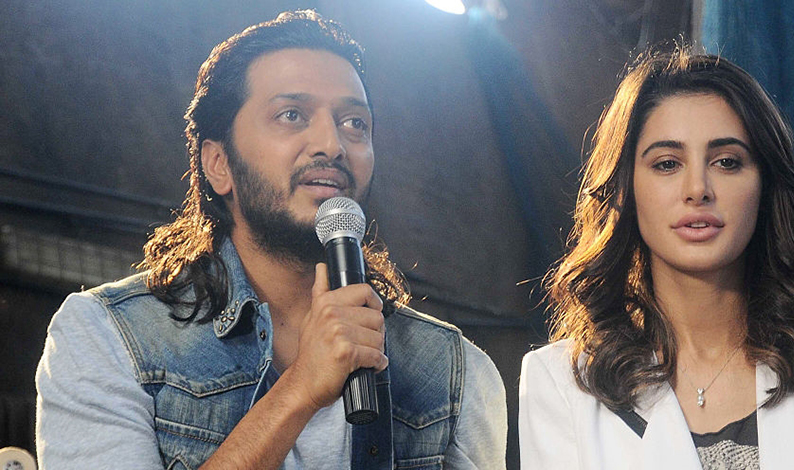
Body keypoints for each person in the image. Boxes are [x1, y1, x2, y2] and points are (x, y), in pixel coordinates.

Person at [35, 10, 506, 469]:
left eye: (354, 123)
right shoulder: (107, 337)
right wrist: (300, 388)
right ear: (218, 164)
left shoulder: (455, 372)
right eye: (291, 114)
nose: (331, 144)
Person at [519, 50, 794, 469]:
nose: (698, 189)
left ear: (765, 185)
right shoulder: (560, 384)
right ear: (626, 189)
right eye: (667, 164)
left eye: (727, 162)